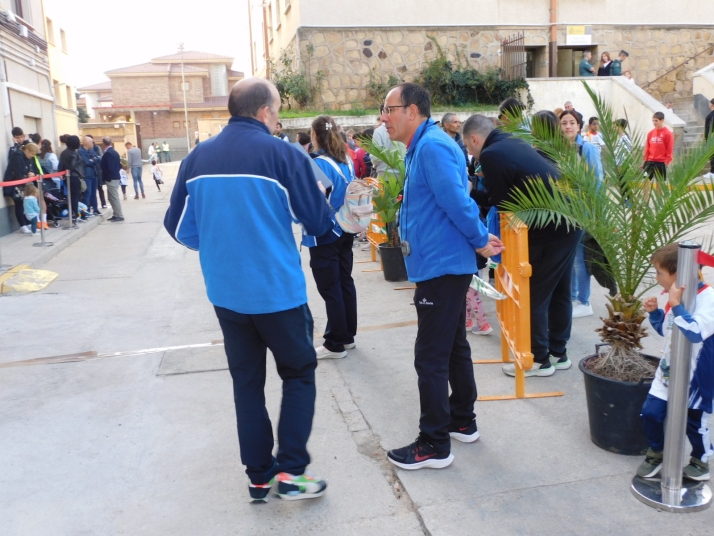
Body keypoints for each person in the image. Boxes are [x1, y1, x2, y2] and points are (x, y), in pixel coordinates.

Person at [165, 78, 332, 502]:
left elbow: (177, 225)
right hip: (277, 293)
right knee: (297, 374)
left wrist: (223, 248)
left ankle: (259, 475)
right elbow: (317, 222)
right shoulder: (283, 155)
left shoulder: (197, 158)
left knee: (247, 383)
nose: (278, 120)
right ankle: (292, 473)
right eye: (276, 112)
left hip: (227, 295)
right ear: (264, 113)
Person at [381, 83, 503, 471]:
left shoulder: (431, 146)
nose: (384, 118)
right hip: (441, 263)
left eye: (389, 109)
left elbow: (456, 200)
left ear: (412, 110)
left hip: (441, 265)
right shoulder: (424, 146)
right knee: (452, 347)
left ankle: (434, 442)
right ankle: (461, 419)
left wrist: (481, 239)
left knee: (430, 357)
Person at [463, 114, 581, 377]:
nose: (472, 155)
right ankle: (558, 353)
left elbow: (504, 204)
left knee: (535, 292)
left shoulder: (491, 155)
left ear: (474, 139)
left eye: (469, 148)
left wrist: (472, 190)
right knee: (560, 291)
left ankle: (539, 360)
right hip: (569, 219)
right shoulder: (509, 140)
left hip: (549, 227)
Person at [637, 244, 714, 481]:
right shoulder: (674, 297)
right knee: (650, 413)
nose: (656, 277)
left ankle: (700, 461)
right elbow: (670, 331)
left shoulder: (708, 299)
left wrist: (677, 305)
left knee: (695, 423)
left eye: (659, 272)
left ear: (677, 274)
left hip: (697, 379)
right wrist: (656, 314)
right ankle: (656, 452)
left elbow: (693, 332)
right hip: (668, 371)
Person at [301, 115, 358, 360]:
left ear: (315, 136)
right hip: (345, 228)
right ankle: (347, 337)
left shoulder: (319, 165)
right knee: (345, 282)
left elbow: (313, 202)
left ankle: (334, 343)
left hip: (325, 232)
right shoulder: (346, 160)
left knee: (330, 287)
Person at [559, 110, 603, 319]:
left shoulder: (587, 149)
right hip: (565, 212)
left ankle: (584, 300)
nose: (567, 126)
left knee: (580, 258)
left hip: (583, 212)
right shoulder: (560, 150)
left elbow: (597, 182)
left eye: (571, 123)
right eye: (564, 123)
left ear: (579, 126)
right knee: (571, 257)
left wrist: (595, 213)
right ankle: (575, 297)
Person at [3, 142, 40, 233]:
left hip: (25, 184)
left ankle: (28, 223)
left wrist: (32, 174)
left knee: (25, 205)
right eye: (31, 153)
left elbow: (30, 168)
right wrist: (27, 176)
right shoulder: (17, 156)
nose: (32, 156)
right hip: (16, 185)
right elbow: (18, 172)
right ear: (27, 150)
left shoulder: (27, 157)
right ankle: (22, 225)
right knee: (19, 204)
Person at [58, 136, 83, 224]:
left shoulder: (63, 153)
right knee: (75, 197)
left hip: (66, 177)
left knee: (71, 197)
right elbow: (73, 166)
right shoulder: (74, 153)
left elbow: (60, 166)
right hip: (74, 176)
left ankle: (73, 215)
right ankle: (75, 216)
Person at [100, 137, 125, 222]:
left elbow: (108, 167)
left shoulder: (108, 153)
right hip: (115, 176)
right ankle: (115, 214)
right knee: (111, 197)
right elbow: (119, 165)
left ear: (103, 144)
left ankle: (119, 215)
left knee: (114, 197)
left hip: (111, 178)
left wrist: (108, 176)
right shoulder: (114, 152)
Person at [644, 111, 673, 181]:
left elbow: (669, 148)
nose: (654, 122)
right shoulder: (650, 133)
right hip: (650, 161)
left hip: (660, 162)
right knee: (645, 180)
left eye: (656, 121)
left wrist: (667, 161)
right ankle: (645, 192)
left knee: (660, 182)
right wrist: (645, 161)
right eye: (653, 121)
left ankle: (658, 193)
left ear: (662, 120)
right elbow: (647, 147)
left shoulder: (667, 133)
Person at [79, 136, 102, 216]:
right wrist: (93, 160)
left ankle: (95, 209)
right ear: (87, 143)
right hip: (87, 175)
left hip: (94, 174)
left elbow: (98, 158)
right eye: (91, 142)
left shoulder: (91, 150)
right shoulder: (81, 151)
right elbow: (87, 162)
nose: (93, 143)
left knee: (94, 193)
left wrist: (93, 160)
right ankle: (86, 211)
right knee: (87, 193)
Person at [704, 99, 714, 179]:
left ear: (712, 104)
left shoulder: (711, 115)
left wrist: (706, 138)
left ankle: (713, 172)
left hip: (711, 139)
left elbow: (709, 128)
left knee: (712, 155)